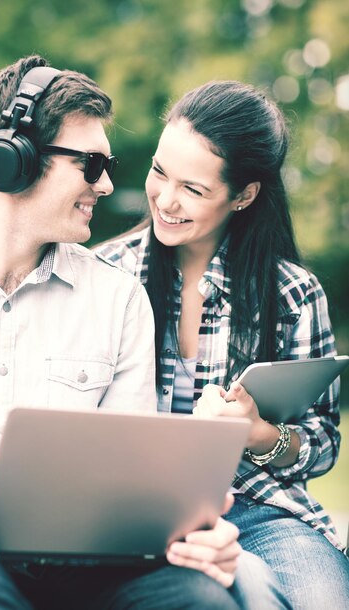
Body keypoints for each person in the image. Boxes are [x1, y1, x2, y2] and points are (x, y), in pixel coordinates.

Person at [0, 56, 289, 610]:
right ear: (11, 162)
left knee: (200, 597)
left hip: (87, 557)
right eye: (91, 164)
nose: (110, 183)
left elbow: (133, 484)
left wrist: (194, 534)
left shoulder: (117, 298)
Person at [96, 79, 349, 609]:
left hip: (261, 511)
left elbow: (322, 442)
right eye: (159, 172)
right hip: (135, 512)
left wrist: (258, 434)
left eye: (194, 189)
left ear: (244, 195)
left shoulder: (292, 295)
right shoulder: (106, 275)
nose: (165, 200)